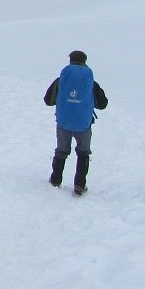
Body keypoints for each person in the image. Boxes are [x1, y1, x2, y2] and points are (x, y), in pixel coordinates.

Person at [43, 50, 108, 195]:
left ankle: (55, 179)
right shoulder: (90, 82)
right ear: (85, 61)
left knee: (61, 151)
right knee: (83, 153)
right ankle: (79, 185)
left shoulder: (61, 79)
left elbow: (48, 100)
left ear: (70, 61)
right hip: (84, 123)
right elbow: (102, 104)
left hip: (63, 121)